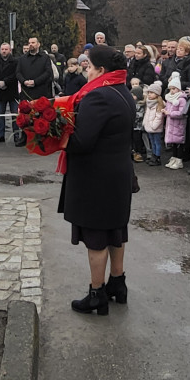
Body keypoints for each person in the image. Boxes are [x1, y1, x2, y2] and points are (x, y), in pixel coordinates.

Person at [57, 45, 134, 315]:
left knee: (97, 238)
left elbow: (82, 141)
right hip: (118, 174)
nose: (85, 70)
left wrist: (57, 135)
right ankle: (118, 283)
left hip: (96, 179)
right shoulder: (122, 90)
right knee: (115, 232)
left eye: (88, 66)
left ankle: (97, 294)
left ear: (101, 70)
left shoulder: (98, 96)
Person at [0, 42, 20, 144]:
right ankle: (0, 135)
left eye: (6, 49)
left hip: (12, 91)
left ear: (10, 50)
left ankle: (16, 135)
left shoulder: (15, 61)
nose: (4, 51)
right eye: (2, 49)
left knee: (15, 115)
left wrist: (5, 82)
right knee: (0, 115)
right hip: (0, 91)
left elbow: (16, 74)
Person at [163, 72, 189, 169]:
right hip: (171, 124)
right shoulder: (169, 98)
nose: (172, 91)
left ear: (178, 88)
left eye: (174, 89)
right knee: (173, 143)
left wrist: (169, 113)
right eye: (170, 89)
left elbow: (181, 112)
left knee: (178, 143)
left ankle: (179, 160)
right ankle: (174, 158)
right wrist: (165, 111)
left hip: (178, 124)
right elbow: (168, 108)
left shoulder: (181, 99)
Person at [141, 81, 166, 165]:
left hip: (155, 128)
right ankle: (153, 156)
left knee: (157, 142)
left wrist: (153, 126)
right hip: (149, 127)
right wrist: (145, 123)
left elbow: (159, 117)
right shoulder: (148, 103)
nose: (149, 95)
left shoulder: (159, 104)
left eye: (151, 93)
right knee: (152, 142)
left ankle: (157, 158)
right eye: (148, 93)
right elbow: (146, 114)